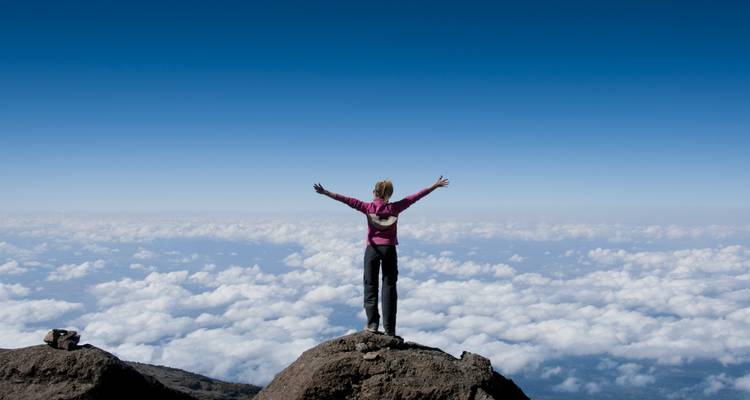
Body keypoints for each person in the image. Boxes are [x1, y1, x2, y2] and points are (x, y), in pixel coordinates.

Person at [313, 176, 450, 337]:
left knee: (370, 286)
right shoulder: (396, 208)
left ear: (374, 192)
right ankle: (390, 330)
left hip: (372, 250)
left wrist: (325, 192)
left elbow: (346, 200)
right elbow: (415, 197)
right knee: (389, 288)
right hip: (389, 250)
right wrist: (434, 186)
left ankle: (372, 325)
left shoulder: (367, 207)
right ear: (389, 194)